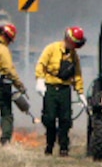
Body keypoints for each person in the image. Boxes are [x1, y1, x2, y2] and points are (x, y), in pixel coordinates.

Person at [35, 25, 86, 157]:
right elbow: (41, 64)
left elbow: (77, 74)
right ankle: (49, 145)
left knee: (65, 120)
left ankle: (64, 147)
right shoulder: (52, 49)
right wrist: (40, 80)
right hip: (51, 88)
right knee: (49, 118)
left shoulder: (74, 56)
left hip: (65, 90)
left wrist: (80, 92)